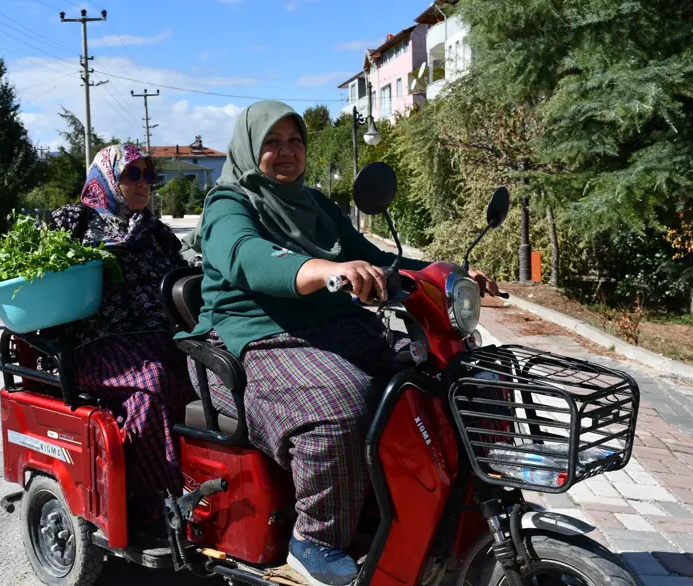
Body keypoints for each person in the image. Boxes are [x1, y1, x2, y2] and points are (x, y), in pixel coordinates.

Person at [178, 101, 499, 586]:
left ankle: (417, 507)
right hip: (249, 341)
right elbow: (248, 257)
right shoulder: (228, 204)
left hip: (327, 331)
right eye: (272, 142)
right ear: (249, 147)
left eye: (295, 141)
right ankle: (315, 541)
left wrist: (446, 271)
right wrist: (325, 270)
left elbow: (375, 258)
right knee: (341, 402)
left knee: (430, 377)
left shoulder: (316, 205)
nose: (287, 152)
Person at [0, 143, 195, 527]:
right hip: (95, 344)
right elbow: (23, 255)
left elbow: (186, 272)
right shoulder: (74, 221)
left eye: (148, 175)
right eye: (132, 174)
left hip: (161, 337)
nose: (143, 184)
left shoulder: (155, 232)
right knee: (150, 386)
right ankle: (154, 504)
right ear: (107, 178)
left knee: (210, 377)